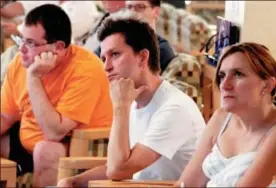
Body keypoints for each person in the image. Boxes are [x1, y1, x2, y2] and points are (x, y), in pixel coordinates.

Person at [57, 11, 205, 187]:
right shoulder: (133, 100)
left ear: (143, 57)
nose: (106, 67)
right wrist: (73, 181)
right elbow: (117, 164)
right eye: (104, 58)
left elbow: (117, 170)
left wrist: (120, 107)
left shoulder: (174, 108)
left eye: (115, 54)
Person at [0, 4, 113, 187]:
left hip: (79, 147)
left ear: (58, 47)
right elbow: (5, 115)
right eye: (21, 40)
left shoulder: (85, 70)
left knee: (46, 150)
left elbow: (54, 133)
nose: (21, 50)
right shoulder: (19, 63)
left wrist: (34, 78)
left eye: (31, 43)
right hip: (28, 141)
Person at [175, 42, 276, 187]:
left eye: (238, 74)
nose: (224, 84)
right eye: (222, 75)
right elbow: (186, 184)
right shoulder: (221, 118)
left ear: (268, 85)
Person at [94, 0, 175, 74]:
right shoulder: (111, 42)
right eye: (129, 7)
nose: (132, 12)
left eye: (140, 7)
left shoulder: (162, 49)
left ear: (156, 11)